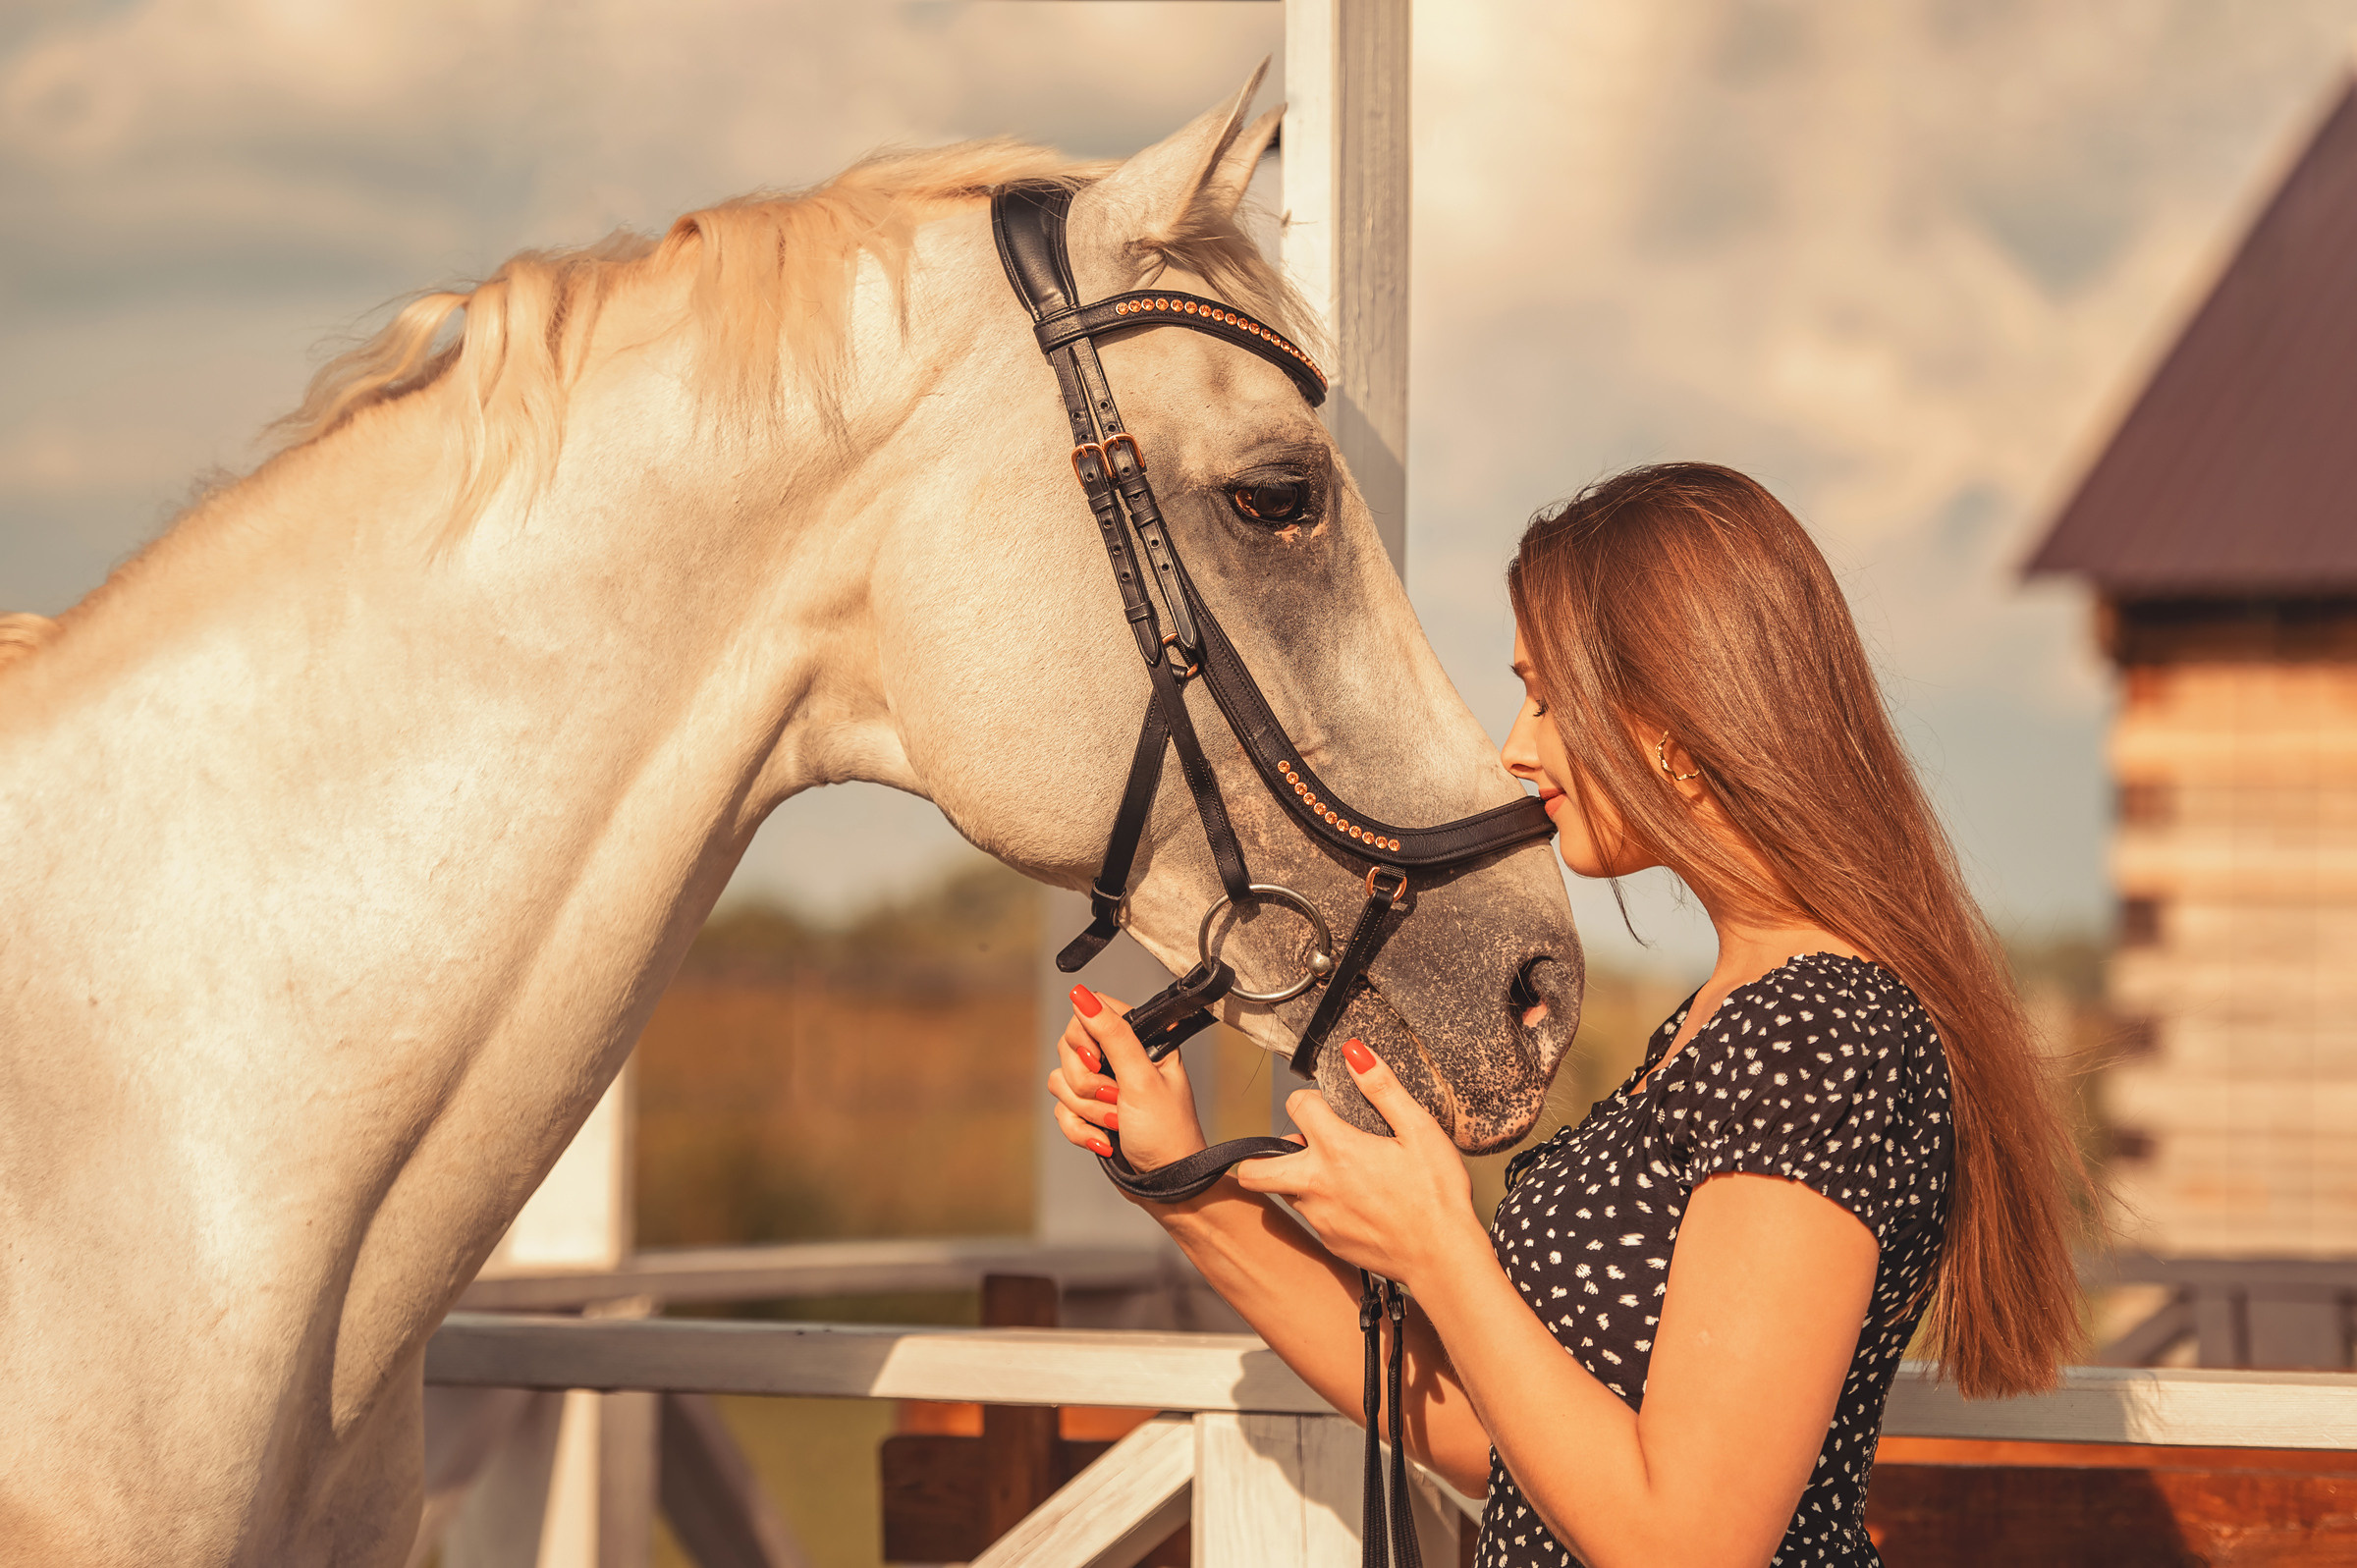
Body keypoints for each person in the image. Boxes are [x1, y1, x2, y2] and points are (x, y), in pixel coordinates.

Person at [1045, 463, 2087, 1567]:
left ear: (1674, 728)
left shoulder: (1817, 1037)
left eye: (1547, 696)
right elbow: (1507, 1448)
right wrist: (1181, 1178)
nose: (1517, 746)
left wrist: (1444, 1248)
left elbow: (1688, 1544)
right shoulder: (1734, 1022)